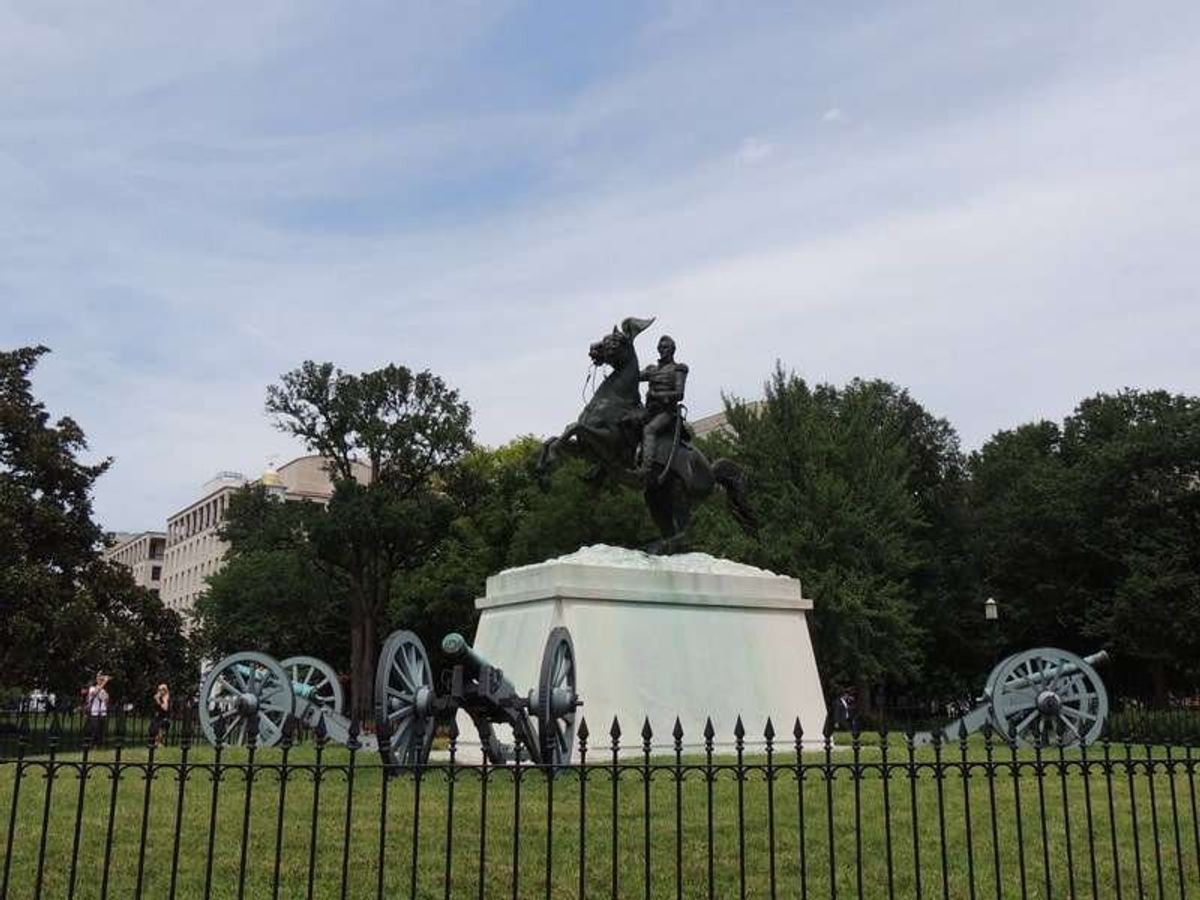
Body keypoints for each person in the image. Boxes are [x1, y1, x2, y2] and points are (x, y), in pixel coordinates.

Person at [635, 335, 689, 484]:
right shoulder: (652, 369)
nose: (662, 351)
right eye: (660, 348)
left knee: (649, 430)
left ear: (672, 349)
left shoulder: (679, 368)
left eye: (665, 348)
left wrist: (657, 395)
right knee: (627, 422)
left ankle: (646, 468)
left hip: (667, 412)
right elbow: (634, 376)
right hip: (649, 411)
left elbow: (679, 394)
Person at [84, 672, 110, 748]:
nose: (101, 681)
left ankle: (99, 745)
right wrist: (105, 682)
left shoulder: (104, 691)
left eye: (102, 680)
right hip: (94, 712)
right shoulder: (92, 688)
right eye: (99, 679)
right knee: (94, 730)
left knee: (101, 730)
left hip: (102, 713)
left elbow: (106, 700)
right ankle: (91, 745)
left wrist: (106, 698)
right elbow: (94, 693)